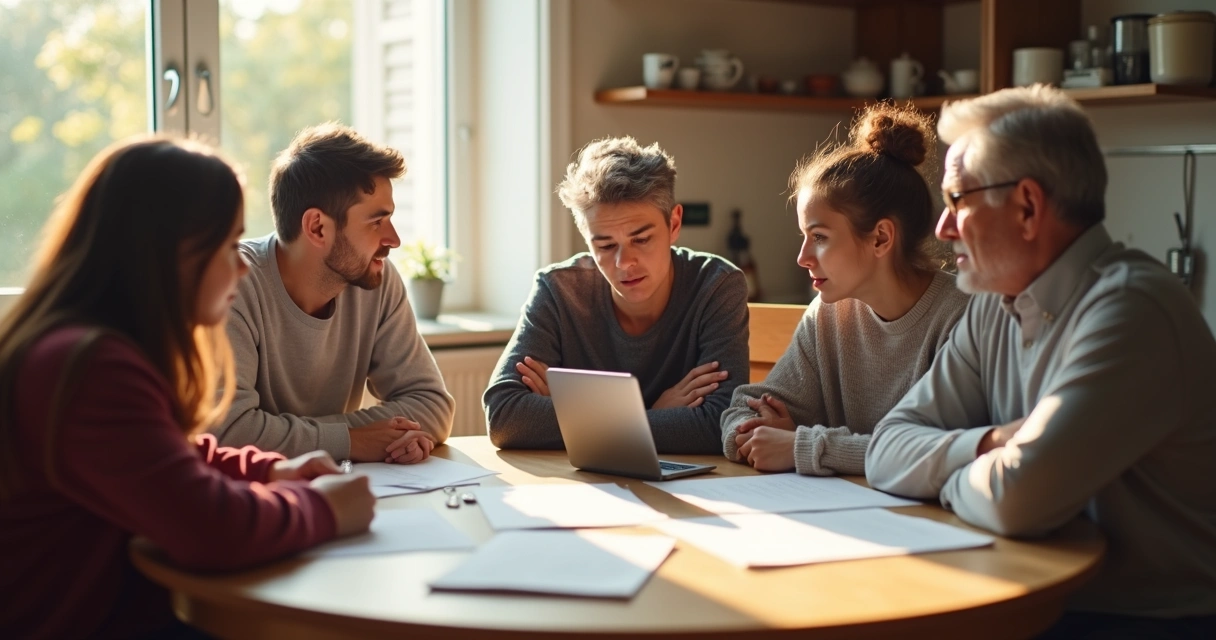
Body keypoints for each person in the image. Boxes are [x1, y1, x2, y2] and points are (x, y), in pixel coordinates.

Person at [865, 86, 1216, 635]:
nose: (942, 228)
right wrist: (989, 444)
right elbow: (886, 449)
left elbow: (1014, 502)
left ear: (1027, 207)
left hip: (1146, 618)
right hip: (1025, 589)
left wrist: (951, 476)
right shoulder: (992, 305)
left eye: (957, 200)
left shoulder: (1131, 311)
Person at [0, 138, 375, 639]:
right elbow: (211, 530)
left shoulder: (84, 347)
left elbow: (162, 455)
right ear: (167, 253)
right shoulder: (91, 368)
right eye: (226, 246)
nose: (243, 266)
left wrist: (269, 468)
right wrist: (326, 509)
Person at [721, 104, 969, 475]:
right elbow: (746, 405)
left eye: (819, 237)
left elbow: (939, 449)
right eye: (804, 237)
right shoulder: (828, 314)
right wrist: (751, 433)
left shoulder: (962, 316)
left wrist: (804, 446)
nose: (803, 257)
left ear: (881, 238)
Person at [484, 136, 749, 454]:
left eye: (642, 239)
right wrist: (648, 413)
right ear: (586, 239)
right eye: (606, 246)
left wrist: (573, 415)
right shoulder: (558, 290)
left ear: (674, 223)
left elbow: (719, 424)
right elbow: (505, 418)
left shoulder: (716, 286)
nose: (624, 263)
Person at [212, 123, 454, 464]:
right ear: (317, 227)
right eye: (376, 222)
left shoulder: (376, 281)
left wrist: (348, 439)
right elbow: (228, 431)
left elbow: (432, 405)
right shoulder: (231, 287)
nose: (394, 240)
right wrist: (351, 441)